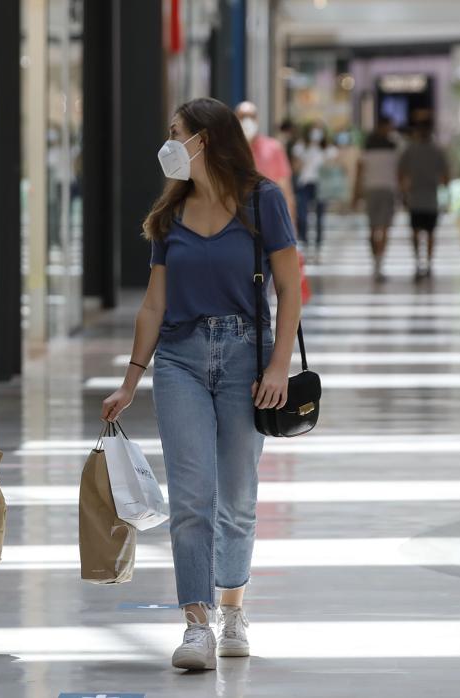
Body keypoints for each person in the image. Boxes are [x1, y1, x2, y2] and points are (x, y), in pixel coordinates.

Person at [101, 97, 302, 671]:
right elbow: (154, 303)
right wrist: (130, 380)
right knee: (192, 499)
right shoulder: (171, 214)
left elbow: (289, 287)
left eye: (175, 133)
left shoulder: (263, 202)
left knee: (236, 497)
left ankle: (233, 607)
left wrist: (278, 365)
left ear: (204, 140)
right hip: (180, 362)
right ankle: (196, 624)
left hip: (247, 357)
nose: (167, 144)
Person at [398, 122, 449, 279]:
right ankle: (427, 263)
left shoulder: (410, 150)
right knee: (430, 232)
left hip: (417, 197)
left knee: (416, 231)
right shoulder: (436, 151)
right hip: (429, 197)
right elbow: (445, 175)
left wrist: (404, 192)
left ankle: (419, 262)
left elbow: (401, 173)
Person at [235, 102, 297, 224]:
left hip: (269, 218)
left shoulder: (274, 148)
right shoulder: (228, 149)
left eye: (251, 116)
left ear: (257, 120)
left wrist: (291, 223)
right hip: (238, 220)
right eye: (242, 117)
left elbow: (285, 188)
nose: (247, 121)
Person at [354, 119, 400, 282]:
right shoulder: (393, 149)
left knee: (373, 228)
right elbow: (399, 173)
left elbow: (359, 173)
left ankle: (376, 263)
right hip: (387, 190)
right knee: (385, 228)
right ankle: (379, 264)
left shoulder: (367, 151)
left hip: (372, 190)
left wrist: (356, 194)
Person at [291, 122, 338, 254]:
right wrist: (304, 159)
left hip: (321, 185)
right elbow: (294, 167)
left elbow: (333, 166)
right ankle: (304, 240)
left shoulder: (328, 149)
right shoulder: (300, 147)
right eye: (314, 130)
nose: (316, 133)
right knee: (302, 213)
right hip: (305, 183)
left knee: (320, 215)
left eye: (319, 130)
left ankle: (318, 244)